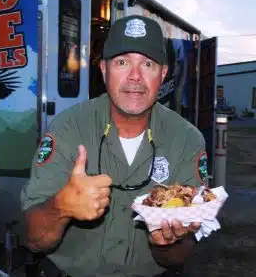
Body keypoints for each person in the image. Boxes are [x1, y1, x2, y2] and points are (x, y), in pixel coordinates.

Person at [20, 15, 209, 277]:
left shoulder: (187, 140)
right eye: (122, 62)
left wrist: (165, 243)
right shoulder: (67, 129)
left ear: (163, 74)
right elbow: (32, 239)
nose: (135, 77)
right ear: (104, 70)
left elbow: (178, 258)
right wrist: (61, 207)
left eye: (148, 64)